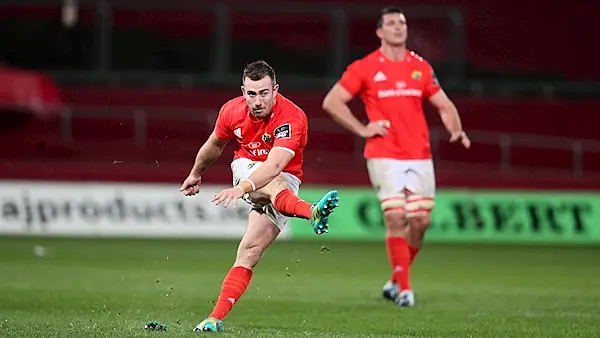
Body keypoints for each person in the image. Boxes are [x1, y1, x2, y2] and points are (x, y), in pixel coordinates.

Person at [321, 6, 470, 307]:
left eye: (402, 23)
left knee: (420, 221)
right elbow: (332, 101)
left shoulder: (420, 67)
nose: (398, 28)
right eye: (390, 23)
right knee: (395, 216)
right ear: (379, 31)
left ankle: (395, 279)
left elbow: (444, 104)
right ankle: (405, 290)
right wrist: (363, 128)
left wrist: (456, 129)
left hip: (419, 154)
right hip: (383, 153)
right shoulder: (364, 67)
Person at [180, 60, 339, 332]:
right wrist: (196, 173)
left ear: (275, 90)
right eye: (251, 93)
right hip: (247, 167)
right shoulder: (232, 111)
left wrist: (241, 189)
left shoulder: (292, 117)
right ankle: (310, 212)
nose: (257, 101)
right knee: (275, 184)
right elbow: (215, 144)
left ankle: (213, 319)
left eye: (264, 93)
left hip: (283, 178)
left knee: (249, 252)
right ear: (243, 91)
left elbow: (276, 165)